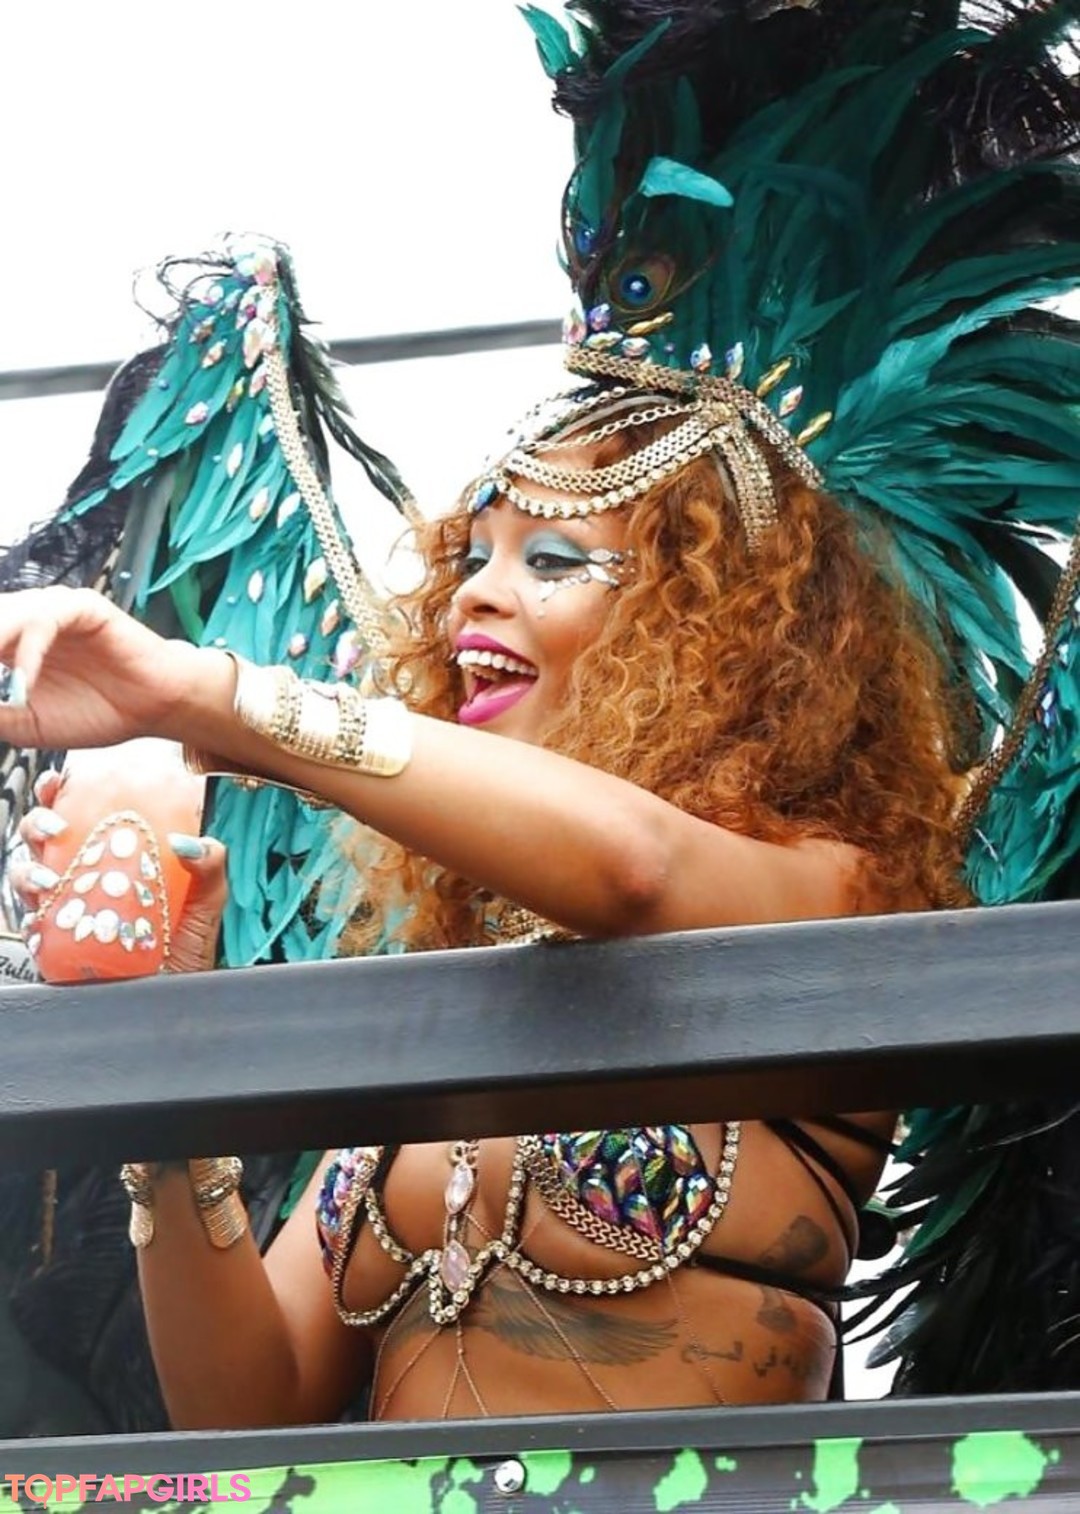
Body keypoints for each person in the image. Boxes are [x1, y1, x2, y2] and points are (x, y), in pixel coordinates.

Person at [2, 0, 1080, 1424]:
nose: (474, 599)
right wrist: (166, 1056)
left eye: (554, 560)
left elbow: (629, 864)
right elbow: (245, 1402)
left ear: (719, 633)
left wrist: (211, 695)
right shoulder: (430, 993)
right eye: (473, 558)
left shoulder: (837, 888)